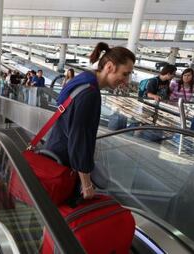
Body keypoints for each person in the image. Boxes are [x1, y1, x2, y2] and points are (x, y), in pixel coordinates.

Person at [45, 42, 135, 200]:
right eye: (125, 74)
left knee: (52, 212)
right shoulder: (90, 94)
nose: (126, 81)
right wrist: (86, 184)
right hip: (65, 165)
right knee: (62, 216)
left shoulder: (83, 79)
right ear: (109, 66)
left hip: (53, 153)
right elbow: (79, 140)